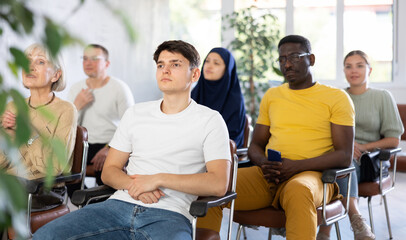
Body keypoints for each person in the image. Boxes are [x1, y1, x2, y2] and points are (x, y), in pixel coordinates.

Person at [33, 40, 231, 240]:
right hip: (117, 206)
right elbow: (109, 172)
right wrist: (133, 186)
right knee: (45, 236)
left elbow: (218, 183)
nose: (166, 70)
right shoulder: (136, 114)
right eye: (161, 65)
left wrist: (157, 179)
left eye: (175, 64)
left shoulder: (210, 120)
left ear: (195, 74)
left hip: (170, 215)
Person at [197, 35, 355, 239]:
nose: (287, 63)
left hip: (312, 176)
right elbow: (256, 145)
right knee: (211, 184)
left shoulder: (337, 98)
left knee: (299, 190)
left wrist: (296, 167)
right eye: (282, 59)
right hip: (269, 175)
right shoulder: (272, 96)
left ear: (312, 59)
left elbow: (344, 155)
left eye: (295, 57)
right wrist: (263, 162)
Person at [317, 50, 404, 240]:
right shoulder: (337, 97)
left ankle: (325, 229)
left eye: (359, 65)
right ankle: (356, 223)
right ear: (344, 71)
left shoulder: (382, 96)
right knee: (331, 163)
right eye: (348, 66)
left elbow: (394, 139)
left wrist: (362, 147)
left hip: (368, 161)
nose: (353, 70)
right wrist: (346, 146)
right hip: (338, 154)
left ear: (370, 70)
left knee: (342, 164)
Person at [0, 43, 77, 209]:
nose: (30, 66)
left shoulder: (66, 109)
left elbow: (54, 166)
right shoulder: (13, 106)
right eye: (27, 60)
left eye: (40, 62)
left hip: (42, 190)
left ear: (56, 75)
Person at [67, 44, 134, 194]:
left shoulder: (119, 88)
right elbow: (66, 126)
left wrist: (108, 149)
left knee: (105, 175)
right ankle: (86, 205)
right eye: (84, 59)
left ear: (107, 64)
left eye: (94, 59)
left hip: (109, 144)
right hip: (83, 145)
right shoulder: (76, 89)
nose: (88, 63)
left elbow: (131, 126)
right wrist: (77, 105)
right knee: (62, 168)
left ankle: (99, 204)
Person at [191, 47, 246, 148]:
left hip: (221, 154)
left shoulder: (234, 101)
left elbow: (233, 139)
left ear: (227, 69)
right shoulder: (195, 93)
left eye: (216, 63)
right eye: (207, 61)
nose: (209, 66)